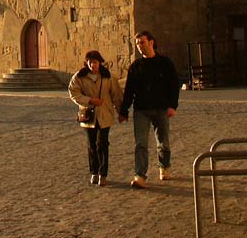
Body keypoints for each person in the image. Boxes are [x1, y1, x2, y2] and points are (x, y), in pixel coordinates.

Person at [118, 30, 180, 189]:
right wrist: (124, 110)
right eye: (137, 43)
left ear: (151, 42)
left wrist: (172, 105)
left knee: (163, 142)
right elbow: (129, 91)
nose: (139, 46)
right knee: (141, 144)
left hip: (161, 108)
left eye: (142, 42)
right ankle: (140, 175)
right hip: (141, 110)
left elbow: (174, 85)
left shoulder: (165, 63)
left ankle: (164, 166)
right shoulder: (135, 67)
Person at [68, 50, 123, 186]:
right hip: (88, 115)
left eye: (95, 62)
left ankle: (103, 173)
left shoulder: (108, 76)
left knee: (102, 143)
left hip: (105, 114)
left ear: (100, 62)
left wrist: (121, 111)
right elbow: (73, 93)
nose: (93, 65)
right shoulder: (79, 76)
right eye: (90, 62)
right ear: (86, 63)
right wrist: (90, 100)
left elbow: (116, 94)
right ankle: (94, 172)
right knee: (91, 144)